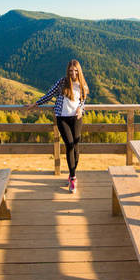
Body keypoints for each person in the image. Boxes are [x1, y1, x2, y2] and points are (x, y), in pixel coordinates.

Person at [26, 60, 89, 193]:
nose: (73, 73)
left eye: (75, 70)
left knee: (76, 146)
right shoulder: (62, 82)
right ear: (68, 70)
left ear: (79, 71)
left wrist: (80, 108)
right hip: (62, 118)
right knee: (69, 144)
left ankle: (72, 172)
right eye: (71, 70)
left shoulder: (82, 83)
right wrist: (35, 104)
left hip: (77, 118)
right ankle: (73, 178)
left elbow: (83, 100)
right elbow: (49, 95)